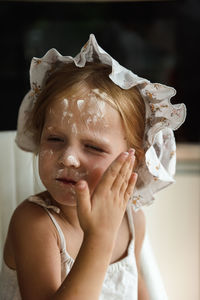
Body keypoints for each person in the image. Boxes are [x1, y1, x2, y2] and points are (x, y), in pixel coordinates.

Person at [0, 34, 186, 300]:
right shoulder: (35, 224)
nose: (68, 159)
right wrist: (100, 236)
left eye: (93, 147)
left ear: (133, 161)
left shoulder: (132, 221)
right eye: (55, 139)